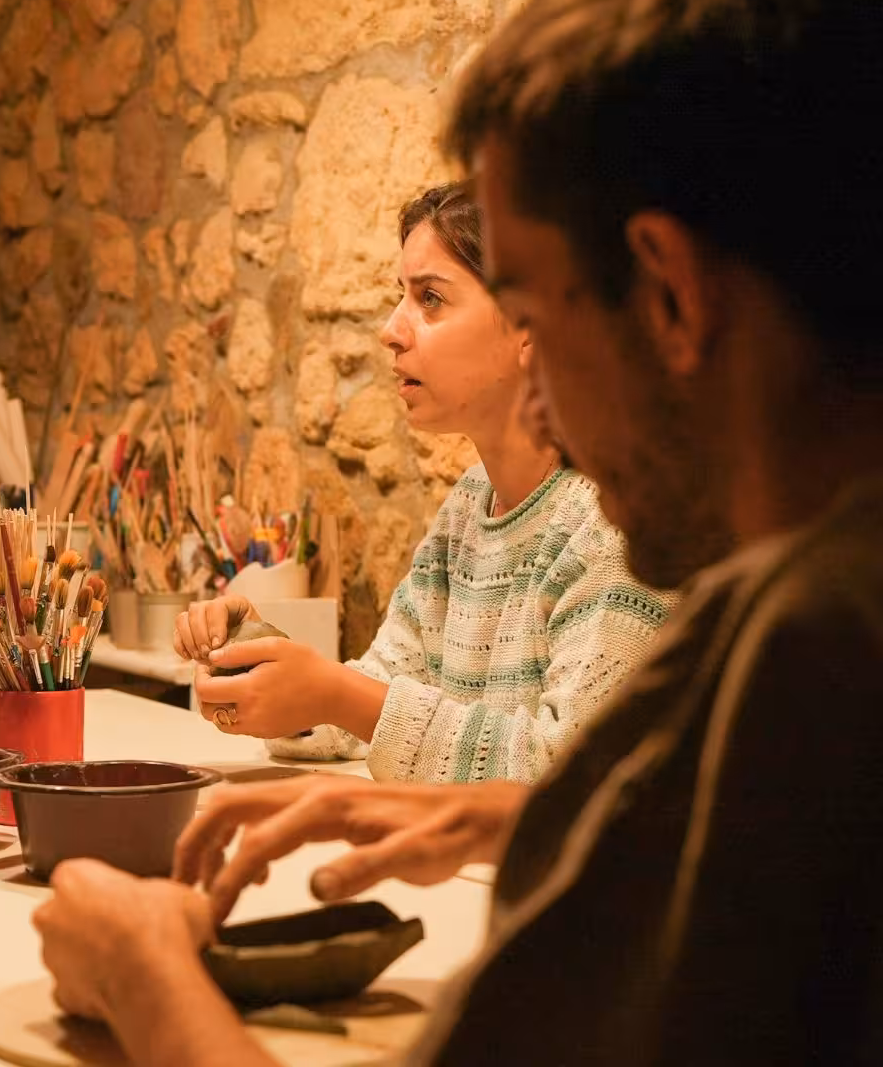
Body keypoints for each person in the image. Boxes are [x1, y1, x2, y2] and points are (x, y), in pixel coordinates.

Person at [32, 0, 883, 1063]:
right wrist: (524, 821)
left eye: (535, 311)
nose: (543, 403)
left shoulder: (814, 657)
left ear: (670, 296)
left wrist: (142, 972)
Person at [175, 182, 676, 784]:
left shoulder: (618, 523)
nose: (391, 330)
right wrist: (260, 657)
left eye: (430, 299)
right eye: (401, 296)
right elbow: (383, 688)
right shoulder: (470, 505)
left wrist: (335, 693)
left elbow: (568, 772)